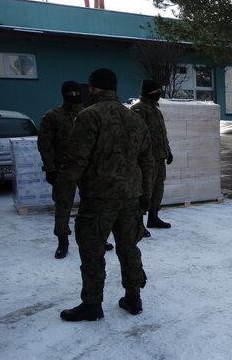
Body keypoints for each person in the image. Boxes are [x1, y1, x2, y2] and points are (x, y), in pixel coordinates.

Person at [57, 68, 154, 321]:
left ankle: (92, 304)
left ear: (93, 88)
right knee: (129, 246)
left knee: (92, 250)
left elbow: (75, 160)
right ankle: (133, 297)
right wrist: (146, 195)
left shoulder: (89, 116)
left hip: (99, 197)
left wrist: (63, 195)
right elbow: (148, 161)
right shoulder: (134, 118)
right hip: (130, 196)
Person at [37, 81, 114, 259]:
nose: (73, 95)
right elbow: (45, 144)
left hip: (89, 169)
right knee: (63, 205)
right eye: (69, 93)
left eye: (76, 92)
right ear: (63, 94)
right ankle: (62, 240)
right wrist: (50, 168)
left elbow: (100, 141)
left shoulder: (89, 114)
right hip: (64, 169)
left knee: (94, 204)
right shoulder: (52, 116)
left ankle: (98, 237)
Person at [131, 79, 173, 236]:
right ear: (149, 92)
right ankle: (139, 222)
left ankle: (153, 217)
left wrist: (168, 151)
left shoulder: (156, 110)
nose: (159, 94)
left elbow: (162, 135)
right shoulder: (138, 110)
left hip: (159, 157)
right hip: (146, 160)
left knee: (158, 188)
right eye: (157, 91)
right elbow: (135, 137)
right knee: (144, 190)